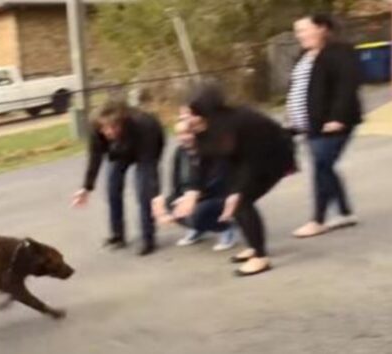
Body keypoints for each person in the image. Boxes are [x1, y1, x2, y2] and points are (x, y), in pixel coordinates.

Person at [174, 84, 296, 276]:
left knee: (240, 201)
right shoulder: (201, 128)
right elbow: (201, 161)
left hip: (271, 157)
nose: (183, 118)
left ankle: (261, 258)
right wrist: (192, 192)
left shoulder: (239, 122)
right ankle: (255, 247)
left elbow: (252, 161)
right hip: (241, 160)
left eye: (188, 113)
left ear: (204, 112)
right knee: (235, 198)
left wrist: (239, 190)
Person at [287, 14, 362, 238]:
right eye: (297, 31)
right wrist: (293, 118)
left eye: (304, 30)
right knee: (325, 165)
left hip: (334, 123)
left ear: (321, 28)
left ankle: (318, 220)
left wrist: (337, 117)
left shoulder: (340, 52)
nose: (299, 35)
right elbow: (299, 88)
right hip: (310, 124)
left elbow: (347, 86)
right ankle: (345, 212)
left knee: (321, 165)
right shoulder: (304, 55)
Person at [72, 99, 166, 256]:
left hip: (146, 148)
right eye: (104, 128)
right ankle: (118, 235)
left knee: (144, 192)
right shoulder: (97, 128)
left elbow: (150, 164)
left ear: (122, 122)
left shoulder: (144, 124)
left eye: (113, 127)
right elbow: (95, 157)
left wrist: (154, 192)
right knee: (112, 188)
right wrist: (86, 187)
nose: (108, 132)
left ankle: (148, 239)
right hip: (120, 151)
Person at [152, 112, 237, 252]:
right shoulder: (180, 152)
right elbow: (176, 180)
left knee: (197, 212)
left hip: (217, 196)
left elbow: (218, 182)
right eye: (179, 134)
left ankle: (225, 227)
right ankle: (198, 228)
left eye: (187, 133)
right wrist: (176, 198)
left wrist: (193, 198)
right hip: (190, 196)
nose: (183, 138)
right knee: (169, 204)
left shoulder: (210, 151)